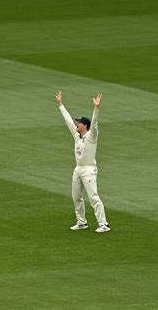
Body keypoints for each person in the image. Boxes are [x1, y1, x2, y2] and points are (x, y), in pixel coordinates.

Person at [55, 91, 110, 233]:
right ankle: (81, 222)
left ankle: (104, 223)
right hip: (78, 168)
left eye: (78, 122)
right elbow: (67, 120)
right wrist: (61, 104)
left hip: (89, 169)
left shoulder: (92, 136)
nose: (76, 124)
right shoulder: (76, 135)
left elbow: (95, 123)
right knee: (76, 196)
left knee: (93, 197)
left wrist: (96, 108)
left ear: (85, 125)